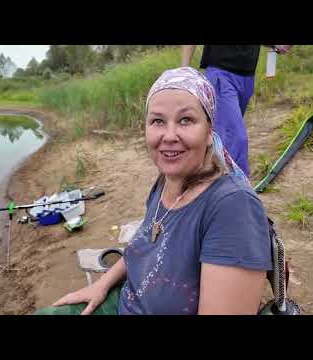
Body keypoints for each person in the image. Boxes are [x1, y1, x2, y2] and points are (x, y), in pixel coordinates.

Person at [35, 67, 272, 315]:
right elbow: (142, 247)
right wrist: (102, 285)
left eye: (186, 120)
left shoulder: (232, 207)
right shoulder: (166, 182)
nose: (169, 136)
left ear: (209, 132)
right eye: (158, 121)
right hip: (125, 301)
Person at [181, 45, 292, 177]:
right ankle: (238, 191)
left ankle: (204, 181)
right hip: (221, 73)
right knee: (236, 139)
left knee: (222, 139)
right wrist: (184, 69)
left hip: (247, 77)